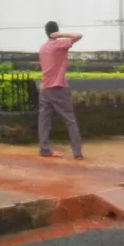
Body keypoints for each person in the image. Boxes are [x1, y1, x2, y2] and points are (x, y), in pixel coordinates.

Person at [37, 20, 84, 160]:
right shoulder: (59, 44)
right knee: (70, 120)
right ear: (55, 31)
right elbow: (79, 35)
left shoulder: (42, 48)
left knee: (44, 121)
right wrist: (60, 35)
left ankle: (44, 150)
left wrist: (53, 36)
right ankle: (77, 153)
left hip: (44, 88)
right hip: (58, 88)